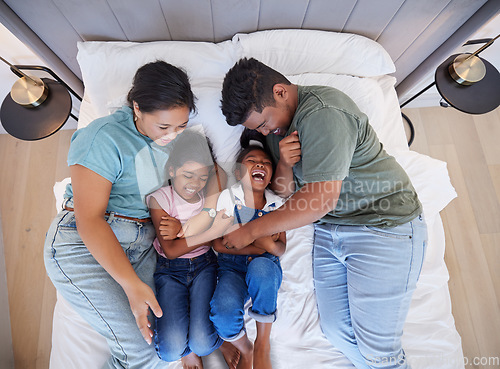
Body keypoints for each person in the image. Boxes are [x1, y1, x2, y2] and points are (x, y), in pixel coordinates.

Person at [219, 58, 427, 369]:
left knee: (377, 349)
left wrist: (251, 230)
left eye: (263, 123)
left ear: (280, 92)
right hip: (331, 232)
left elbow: (319, 201)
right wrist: (285, 164)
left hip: (383, 223)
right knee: (337, 332)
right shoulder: (277, 129)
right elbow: (287, 191)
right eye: (258, 129)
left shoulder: (323, 112)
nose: (265, 131)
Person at [44, 61, 224, 369]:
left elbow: (214, 169)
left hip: (143, 246)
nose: (173, 135)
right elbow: (89, 219)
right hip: (84, 243)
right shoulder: (103, 137)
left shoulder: (179, 139)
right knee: (142, 352)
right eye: (163, 127)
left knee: (160, 345)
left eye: (181, 126)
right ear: (137, 108)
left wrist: (205, 214)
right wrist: (131, 285)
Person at [147, 129, 239, 369]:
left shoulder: (207, 195)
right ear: (171, 171)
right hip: (170, 271)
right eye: (187, 175)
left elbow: (218, 173)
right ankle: (189, 351)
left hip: (204, 265)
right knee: (169, 351)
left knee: (204, 343)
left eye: (201, 177)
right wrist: (210, 233)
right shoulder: (160, 200)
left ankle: (217, 343)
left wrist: (186, 230)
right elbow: (171, 251)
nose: (194, 184)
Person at [210, 129, 287, 369]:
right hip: (231, 270)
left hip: (264, 267)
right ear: (237, 172)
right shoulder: (228, 200)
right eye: (251, 161)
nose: (260, 165)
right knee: (222, 313)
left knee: (263, 269)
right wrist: (260, 245)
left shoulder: (276, 205)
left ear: (271, 174)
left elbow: (280, 249)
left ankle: (263, 342)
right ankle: (246, 347)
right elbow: (218, 244)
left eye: (265, 163)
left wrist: (256, 246)